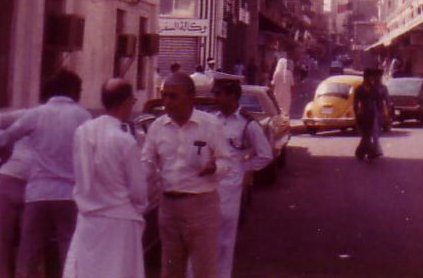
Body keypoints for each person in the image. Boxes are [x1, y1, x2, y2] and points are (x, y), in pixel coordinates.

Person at [0, 70, 91, 278]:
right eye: (79, 90)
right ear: (71, 90)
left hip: (38, 194)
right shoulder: (83, 116)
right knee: (69, 255)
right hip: (68, 194)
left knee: (29, 254)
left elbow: (3, 139)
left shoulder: (36, 114)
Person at [142, 72, 230, 278]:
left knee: (204, 270)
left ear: (190, 97)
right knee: (171, 270)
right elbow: (146, 161)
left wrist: (214, 168)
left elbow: (226, 161)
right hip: (168, 207)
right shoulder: (158, 126)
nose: (166, 102)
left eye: (173, 96)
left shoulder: (210, 125)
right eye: (164, 96)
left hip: (201, 206)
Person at [63, 78, 148, 278]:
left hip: (89, 218)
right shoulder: (124, 140)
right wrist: (137, 207)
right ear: (127, 102)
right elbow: (139, 190)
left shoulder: (82, 133)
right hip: (119, 221)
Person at [204, 78, 272, 278]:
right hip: (206, 184)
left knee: (224, 241)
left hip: (229, 188)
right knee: (201, 238)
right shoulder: (212, 120)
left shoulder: (247, 124)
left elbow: (265, 154)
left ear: (232, 96)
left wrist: (243, 168)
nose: (214, 97)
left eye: (218, 93)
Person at [0, 91, 48, 278]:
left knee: (18, 242)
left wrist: (2, 148)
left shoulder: (34, 116)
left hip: (22, 184)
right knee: (15, 244)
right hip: (21, 184)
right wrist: (2, 150)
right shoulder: (29, 115)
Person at [353, 67, 388, 161]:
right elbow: (355, 104)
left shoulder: (374, 89)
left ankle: (360, 152)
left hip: (371, 114)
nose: (371, 79)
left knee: (367, 135)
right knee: (366, 135)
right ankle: (368, 152)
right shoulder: (359, 89)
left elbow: (378, 102)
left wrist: (382, 113)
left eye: (371, 77)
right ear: (365, 77)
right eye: (369, 77)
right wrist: (356, 114)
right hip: (362, 114)